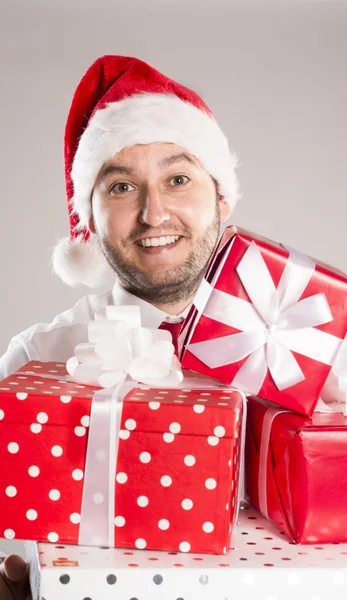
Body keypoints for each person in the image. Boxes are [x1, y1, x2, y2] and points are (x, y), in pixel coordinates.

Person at [0, 54, 239, 599]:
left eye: (178, 179)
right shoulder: (36, 361)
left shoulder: (302, 354)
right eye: (122, 188)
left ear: (222, 197)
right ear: (87, 215)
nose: (155, 214)